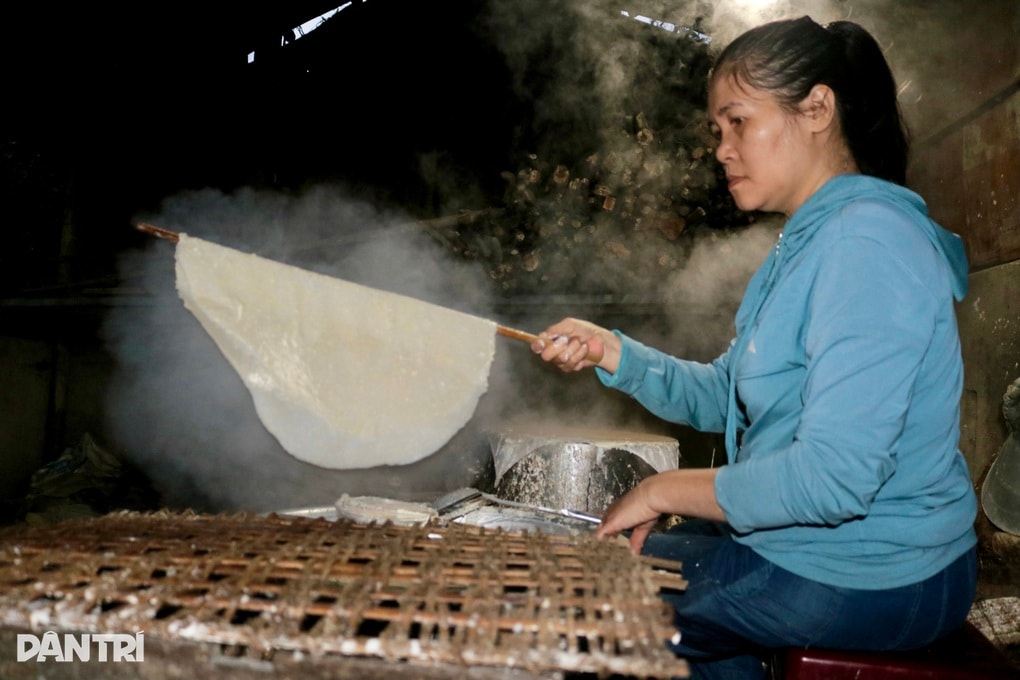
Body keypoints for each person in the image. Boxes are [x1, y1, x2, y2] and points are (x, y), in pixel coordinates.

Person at [531, 16, 978, 680]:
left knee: (584, 616)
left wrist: (662, 490)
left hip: (875, 571)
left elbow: (834, 479)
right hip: (808, 547)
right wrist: (611, 352)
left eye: (738, 122)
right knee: (603, 575)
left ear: (817, 109)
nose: (722, 148)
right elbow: (728, 397)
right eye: (718, 131)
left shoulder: (870, 243)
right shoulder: (804, 247)